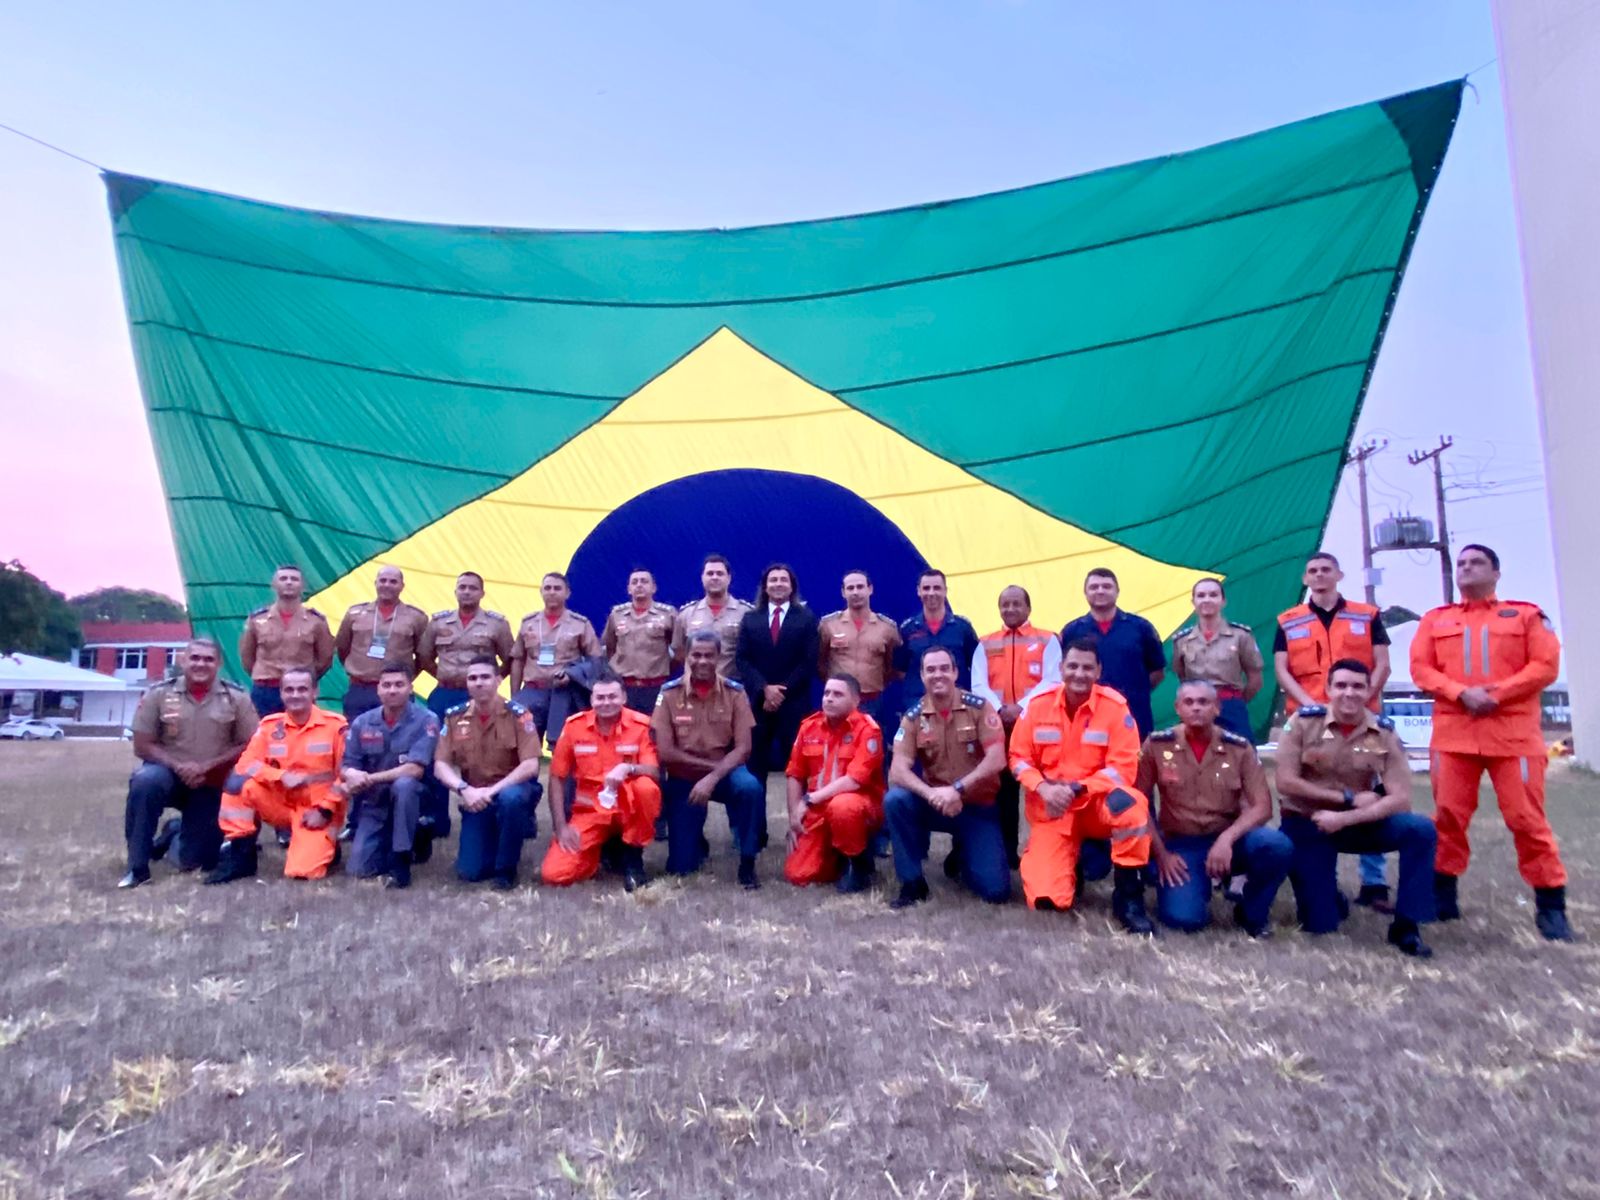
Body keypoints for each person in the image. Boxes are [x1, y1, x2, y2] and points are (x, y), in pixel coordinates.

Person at [1410, 544, 1572, 941]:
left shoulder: (1527, 615)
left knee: (1526, 819)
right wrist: (1461, 693)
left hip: (1513, 737)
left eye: (1476, 563)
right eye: (1461, 564)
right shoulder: (1435, 619)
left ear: (1496, 573)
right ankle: (1443, 897)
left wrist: (1495, 694)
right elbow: (1420, 668)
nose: (1466, 569)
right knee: (1448, 817)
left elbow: (1545, 666)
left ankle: (1551, 907)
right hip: (1454, 735)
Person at [1274, 659, 1437, 958]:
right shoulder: (1302, 722)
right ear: (1328, 689)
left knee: (1420, 830)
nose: (1349, 693)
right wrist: (1347, 799)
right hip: (1309, 824)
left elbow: (1399, 798)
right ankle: (1330, 897)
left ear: (1369, 690)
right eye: (1341, 685)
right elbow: (1285, 782)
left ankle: (1407, 924)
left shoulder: (1383, 732)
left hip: (1357, 824)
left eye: (1358, 686)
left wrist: (1346, 816)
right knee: (1320, 924)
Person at [1274, 552, 1393, 910]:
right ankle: (1320, 876)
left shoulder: (1367, 614)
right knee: (1305, 792)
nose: (1319, 575)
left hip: (1363, 718)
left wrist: (1354, 702)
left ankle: (1374, 882)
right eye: (1312, 570)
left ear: (1339, 574)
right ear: (1304, 578)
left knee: (1372, 788)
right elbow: (1283, 670)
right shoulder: (1289, 619)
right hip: (1307, 717)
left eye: (1326, 569)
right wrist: (1314, 706)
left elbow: (1383, 664)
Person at [1010, 639, 1155, 934]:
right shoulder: (1037, 706)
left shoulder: (1115, 709)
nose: (1079, 673)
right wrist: (1044, 788)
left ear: (1098, 670)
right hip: (1053, 808)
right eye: (1073, 666)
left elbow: (1123, 768)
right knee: (1047, 899)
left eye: (1087, 667)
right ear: (1061, 668)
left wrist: (1078, 788)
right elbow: (1018, 758)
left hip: (1095, 805)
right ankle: (1068, 867)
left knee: (1131, 804)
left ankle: (1128, 896)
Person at [1136, 681, 1292, 936]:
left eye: (1203, 702)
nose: (1196, 708)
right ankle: (1198, 887)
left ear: (1217, 708)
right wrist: (1162, 855)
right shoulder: (1156, 745)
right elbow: (1138, 801)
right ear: (1178, 708)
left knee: (1276, 845)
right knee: (1184, 920)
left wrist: (1226, 840)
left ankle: (1251, 911)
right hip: (1182, 844)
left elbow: (1262, 807)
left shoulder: (1239, 748)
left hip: (1230, 841)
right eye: (1189, 702)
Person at [120, 636, 256, 888]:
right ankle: (137, 865)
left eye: (208, 659)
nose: (201, 664)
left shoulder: (236, 697)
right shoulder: (158, 694)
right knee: (144, 781)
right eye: (195, 658)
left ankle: (174, 832)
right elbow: (142, 745)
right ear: (183, 660)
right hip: (167, 774)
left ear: (218, 664)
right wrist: (179, 766)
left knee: (197, 860)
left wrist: (208, 766)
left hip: (211, 781)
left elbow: (251, 744)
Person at [882, 646, 1010, 908]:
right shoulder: (913, 717)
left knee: (995, 892)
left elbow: (997, 759)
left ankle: (963, 853)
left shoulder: (979, 707)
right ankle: (912, 882)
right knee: (895, 800)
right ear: (921, 675)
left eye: (943, 669)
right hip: (936, 804)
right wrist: (932, 794)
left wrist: (958, 789)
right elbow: (898, 769)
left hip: (977, 806)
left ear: (955, 673)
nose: (937, 675)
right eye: (930, 670)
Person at [204, 667, 348, 884]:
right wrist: (280, 775)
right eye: (289, 690)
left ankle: (328, 846)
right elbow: (246, 765)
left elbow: (345, 776)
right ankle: (240, 853)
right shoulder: (270, 726)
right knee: (238, 784)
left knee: (301, 872)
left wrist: (325, 811)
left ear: (315, 692)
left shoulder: (335, 727)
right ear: (281, 694)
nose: (295, 695)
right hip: (280, 802)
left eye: (302, 689)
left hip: (317, 809)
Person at [652, 630, 767, 888]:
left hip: (726, 772)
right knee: (682, 868)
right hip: (685, 776)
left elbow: (744, 749)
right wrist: (711, 770)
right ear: (686, 656)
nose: (702, 661)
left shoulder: (735, 693)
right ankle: (695, 840)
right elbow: (666, 752)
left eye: (709, 656)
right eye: (696, 655)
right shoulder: (669, 694)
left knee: (750, 787)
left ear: (719, 658)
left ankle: (747, 860)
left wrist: (714, 776)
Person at [416, 572, 514, 849]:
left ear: (482, 593)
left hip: (481, 696)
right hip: (445, 692)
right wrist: (445, 676)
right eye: (462, 587)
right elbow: (424, 656)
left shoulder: (496, 624)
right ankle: (436, 818)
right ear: (455, 591)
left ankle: (487, 809)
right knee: (436, 752)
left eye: (473, 588)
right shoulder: (438, 622)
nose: (467, 592)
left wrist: (487, 685)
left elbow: (508, 658)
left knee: (487, 752)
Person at [433, 655, 545, 890]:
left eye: (485, 677)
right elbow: (440, 765)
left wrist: (491, 792)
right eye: (472, 678)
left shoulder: (519, 714)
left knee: (510, 800)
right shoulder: (454, 716)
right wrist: (465, 790)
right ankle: (495, 835)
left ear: (498, 680)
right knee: (470, 872)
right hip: (475, 795)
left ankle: (506, 870)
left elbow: (530, 766)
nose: (479, 683)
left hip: (512, 789)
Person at [542, 673, 662, 890]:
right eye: (600, 697)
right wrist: (561, 827)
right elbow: (557, 778)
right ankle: (600, 852)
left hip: (628, 808)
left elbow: (654, 771)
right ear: (592, 700)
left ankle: (633, 857)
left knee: (646, 788)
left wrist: (629, 767)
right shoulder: (573, 727)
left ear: (624, 697)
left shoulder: (641, 725)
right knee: (554, 873)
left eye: (612, 696)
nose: (606, 703)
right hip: (590, 812)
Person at [972, 585, 1062, 867]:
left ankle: (1048, 849)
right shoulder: (985, 642)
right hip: (999, 726)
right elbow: (978, 683)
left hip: (1037, 725)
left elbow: (1053, 680)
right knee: (1004, 792)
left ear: (1028, 608)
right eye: (1005, 604)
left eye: (1016, 604)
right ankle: (1007, 853)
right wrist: (1001, 710)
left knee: (1041, 788)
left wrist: (1021, 707)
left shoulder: (1048, 640)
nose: (1010, 609)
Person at [340, 661, 439, 889]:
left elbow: (415, 769)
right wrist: (352, 774)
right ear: (378, 689)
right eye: (386, 685)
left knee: (404, 785)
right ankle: (413, 836)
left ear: (410, 688)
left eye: (399, 684)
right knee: (359, 869)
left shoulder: (427, 720)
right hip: (375, 802)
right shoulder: (363, 722)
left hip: (413, 797)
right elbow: (348, 764)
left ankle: (401, 858)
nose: (392, 690)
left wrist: (368, 778)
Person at [783, 674, 884, 891]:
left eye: (838, 694)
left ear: (856, 701)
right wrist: (794, 816)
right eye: (826, 693)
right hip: (818, 809)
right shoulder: (808, 728)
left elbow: (855, 780)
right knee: (799, 874)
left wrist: (809, 799)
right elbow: (795, 773)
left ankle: (857, 863)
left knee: (843, 806)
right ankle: (836, 855)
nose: (829, 698)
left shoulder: (868, 730)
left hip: (858, 805)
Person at [1059, 567, 1167, 740]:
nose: (1100, 591)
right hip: (1086, 715)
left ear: (1117, 591)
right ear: (1085, 593)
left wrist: (1134, 690)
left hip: (1133, 715)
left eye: (1106, 586)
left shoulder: (1141, 627)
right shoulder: (1072, 631)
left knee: (1135, 764)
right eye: (1094, 587)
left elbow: (1157, 672)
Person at [736, 562, 820, 783]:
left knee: (798, 769)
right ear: (765, 587)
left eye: (784, 580)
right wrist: (764, 689)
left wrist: (780, 693)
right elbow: (743, 659)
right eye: (773, 580)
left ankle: (799, 818)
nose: (778, 584)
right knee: (755, 770)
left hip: (794, 704)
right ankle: (755, 820)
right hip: (758, 704)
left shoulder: (807, 618)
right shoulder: (750, 618)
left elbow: (808, 661)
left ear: (792, 587)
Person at [510, 572, 604, 751]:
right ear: (541, 592)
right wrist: (515, 696)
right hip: (532, 691)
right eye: (547, 588)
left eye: (557, 588)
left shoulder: (580, 624)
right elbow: (518, 659)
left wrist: (573, 676)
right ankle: (526, 780)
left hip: (564, 692)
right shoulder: (528, 622)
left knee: (562, 747)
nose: (552, 592)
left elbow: (596, 660)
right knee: (524, 745)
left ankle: (561, 780)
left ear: (567, 593)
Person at [1171, 578, 1263, 740]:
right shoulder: (1182, 640)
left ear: (1223, 601)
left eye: (1213, 595)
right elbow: (1183, 677)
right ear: (1193, 601)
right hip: (1195, 708)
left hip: (1230, 706)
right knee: (1190, 759)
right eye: (1201, 595)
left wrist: (1235, 701)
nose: (1207, 600)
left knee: (1243, 755)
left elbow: (1255, 679)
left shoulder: (1241, 636)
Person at [334, 565, 429, 720]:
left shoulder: (416, 617)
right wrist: (359, 669)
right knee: (357, 737)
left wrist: (405, 677)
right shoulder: (355, 613)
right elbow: (342, 648)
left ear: (402, 586)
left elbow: (423, 655)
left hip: (396, 690)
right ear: (375, 583)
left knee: (398, 738)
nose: (387, 585)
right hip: (360, 688)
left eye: (393, 581)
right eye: (383, 580)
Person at [238, 563, 334, 717]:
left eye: (294, 579)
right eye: (283, 578)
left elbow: (325, 658)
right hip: (265, 690)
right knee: (264, 735)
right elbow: (247, 657)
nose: (289, 582)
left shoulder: (316, 621)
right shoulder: (257, 619)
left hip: (300, 690)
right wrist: (266, 675)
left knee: (301, 735)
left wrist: (303, 678)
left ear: (302, 585)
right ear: (274, 584)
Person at [816, 570, 902, 726]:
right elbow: (820, 661)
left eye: (860, 587)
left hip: (871, 701)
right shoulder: (829, 624)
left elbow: (892, 666)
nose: (855, 592)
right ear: (843, 592)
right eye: (850, 588)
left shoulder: (887, 627)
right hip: (838, 700)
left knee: (871, 747)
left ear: (870, 589)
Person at [895, 569, 980, 706]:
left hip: (958, 703)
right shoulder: (907, 629)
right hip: (918, 704)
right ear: (919, 591)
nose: (931, 593)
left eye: (937, 588)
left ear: (945, 591)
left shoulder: (962, 628)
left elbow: (977, 667)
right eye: (926, 588)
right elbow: (899, 670)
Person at [602, 568, 677, 714]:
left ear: (654, 588)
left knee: (654, 731)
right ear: (629, 589)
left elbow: (678, 650)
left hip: (655, 686)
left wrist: (662, 668)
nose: (639, 585)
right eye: (634, 582)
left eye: (644, 581)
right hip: (624, 687)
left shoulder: (668, 614)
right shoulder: (617, 614)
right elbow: (610, 648)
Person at [672, 554, 753, 676]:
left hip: (732, 688)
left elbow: (753, 653)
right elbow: (679, 652)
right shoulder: (687, 614)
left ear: (729, 578)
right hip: (695, 689)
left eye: (720, 574)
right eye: (710, 573)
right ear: (702, 578)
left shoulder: (746, 613)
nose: (715, 577)